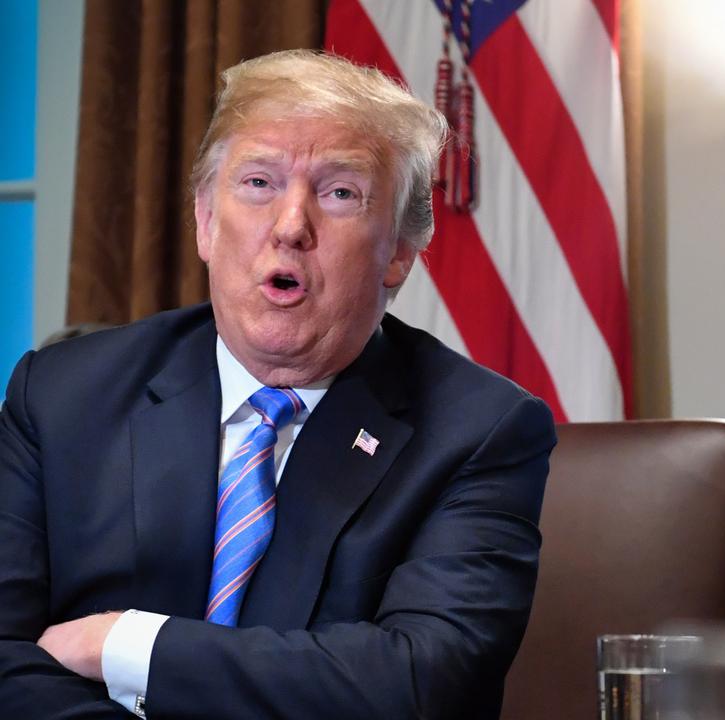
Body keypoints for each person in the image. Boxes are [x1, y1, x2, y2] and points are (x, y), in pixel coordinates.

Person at [0, 50, 555, 719]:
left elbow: (420, 681)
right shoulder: (63, 395)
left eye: (340, 192)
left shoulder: (479, 431)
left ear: (399, 253)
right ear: (206, 220)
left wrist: (129, 644)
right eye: (259, 183)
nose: (291, 226)